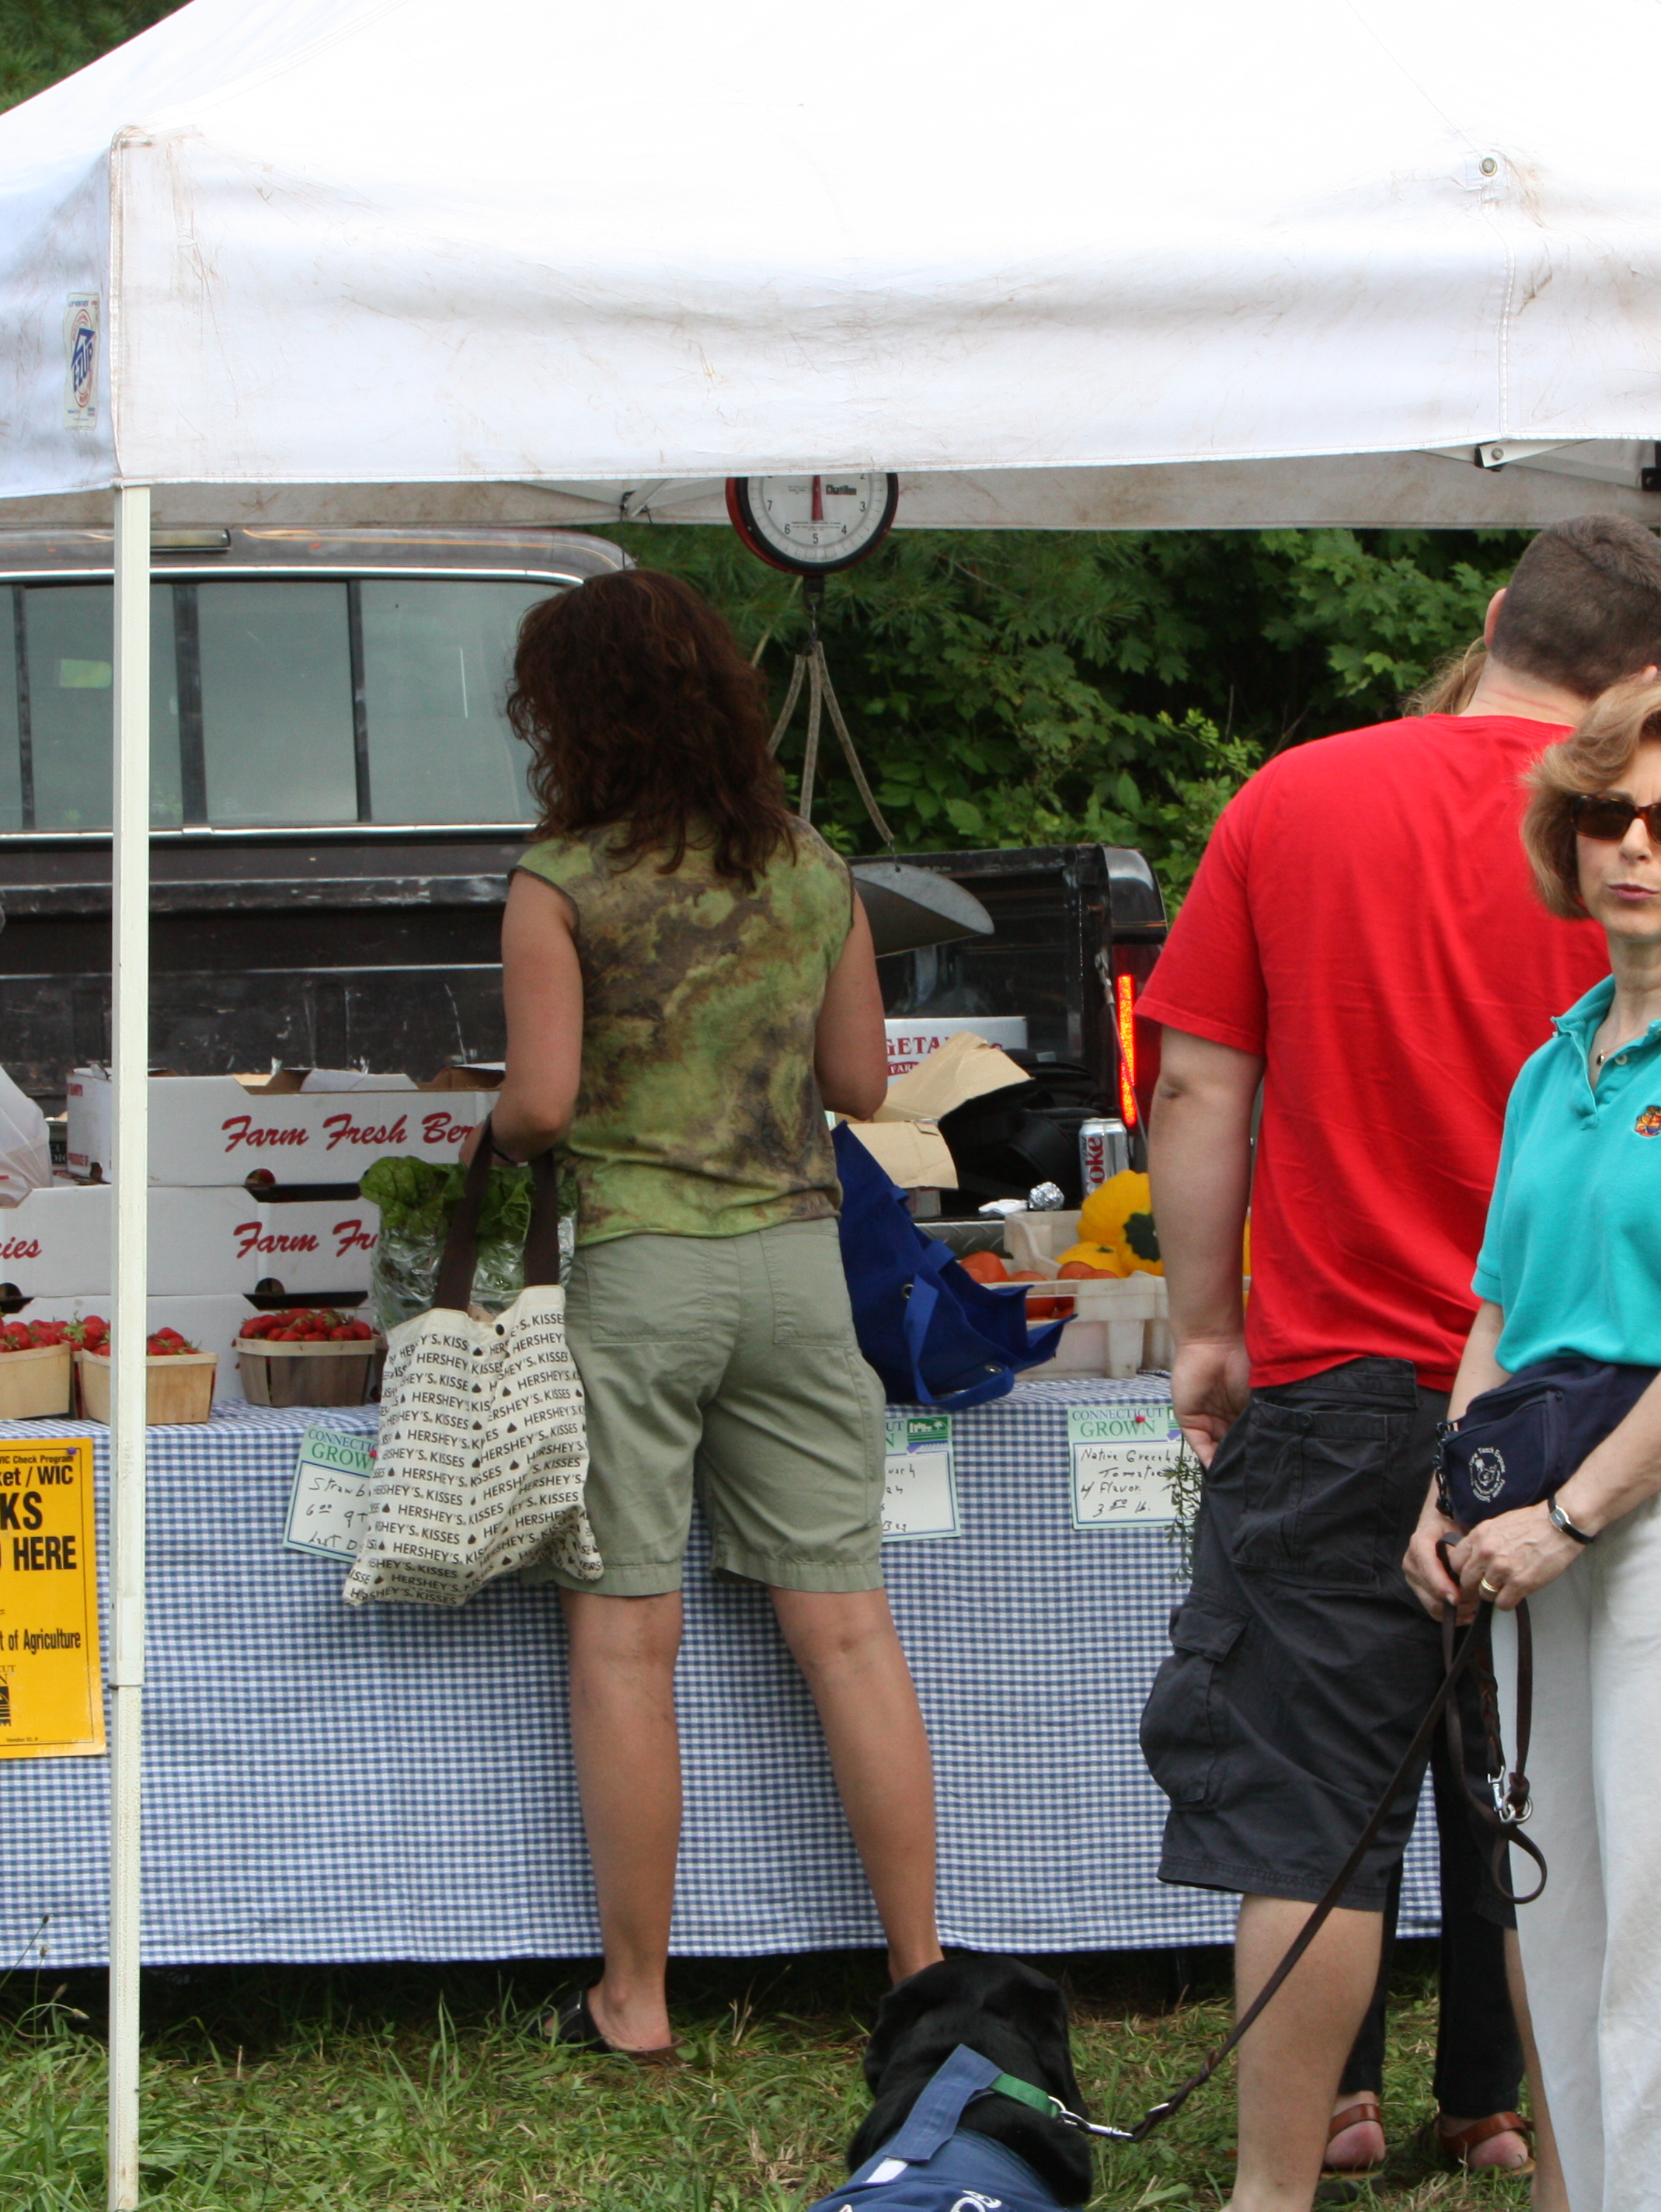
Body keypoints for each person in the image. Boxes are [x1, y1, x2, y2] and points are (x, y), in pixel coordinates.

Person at [1142, 513, 1661, 2212]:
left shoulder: (1294, 795)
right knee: (1558, 1806)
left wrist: (1205, 1326)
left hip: (1341, 1368)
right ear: (1649, 676)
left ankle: (1274, 2185)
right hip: (1588, 1398)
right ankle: (1573, 2169)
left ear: (1496, 614)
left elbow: (1198, 1085)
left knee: (1313, 1801)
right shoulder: (1655, 839)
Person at [477, 568, 941, 2062]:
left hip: (639, 1272)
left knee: (628, 1641)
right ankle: (920, 1974)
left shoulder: (558, 879)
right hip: (798, 1271)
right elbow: (862, 1082)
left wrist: (483, 1126)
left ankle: (637, 1996)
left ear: (571, 715)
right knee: (849, 1630)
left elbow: (542, 1102)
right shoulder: (810, 866)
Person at [1408, 670, 1661, 2212]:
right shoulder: (1551, 1057)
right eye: (1606, 812)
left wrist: (1571, 1513)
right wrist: (1447, 1495)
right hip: (1534, 1510)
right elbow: (1499, 1316)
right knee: (1558, 1903)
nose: (1635, 843)